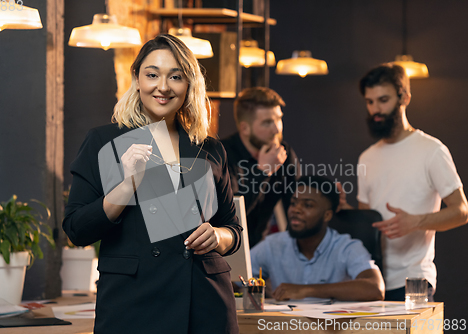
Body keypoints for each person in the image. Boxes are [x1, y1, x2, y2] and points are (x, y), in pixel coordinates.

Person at [63, 34, 242, 334]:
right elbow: (76, 229)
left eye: (175, 76)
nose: (163, 86)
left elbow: (232, 228)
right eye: (152, 75)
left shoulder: (209, 148)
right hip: (134, 304)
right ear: (136, 78)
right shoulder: (104, 142)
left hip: (205, 303)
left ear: (189, 84)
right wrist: (127, 185)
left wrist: (219, 237)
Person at [340, 64, 468, 301]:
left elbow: (462, 211)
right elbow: (369, 223)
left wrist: (416, 221)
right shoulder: (366, 157)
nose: (376, 109)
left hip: (415, 279)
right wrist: (345, 214)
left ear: (405, 97)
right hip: (371, 279)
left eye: (383, 100)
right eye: (369, 102)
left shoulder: (432, 150)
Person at [250, 175, 385, 301]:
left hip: (332, 325)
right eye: (293, 203)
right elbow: (236, 280)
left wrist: (307, 290)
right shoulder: (273, 245)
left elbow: (375, 288)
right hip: (283, 325)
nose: (296, 210)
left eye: (307, 205)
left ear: (327, 215)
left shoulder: (347, 247)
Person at [221, 87, 300, 248]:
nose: (276, 129)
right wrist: (263, 172)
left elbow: (295, 204)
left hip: (262, 248)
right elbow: (232, 215)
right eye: (267, 123)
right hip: (228, 248)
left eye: (278, 119)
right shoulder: (222, 155)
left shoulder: (283, 153)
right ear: (245, 128)